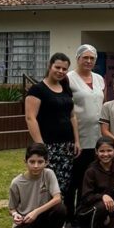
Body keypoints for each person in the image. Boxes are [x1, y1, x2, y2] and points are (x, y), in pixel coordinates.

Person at [24, 52, 80, 202]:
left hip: (67, 146)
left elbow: (72, 116)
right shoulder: (37, 90)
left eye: (64, 69)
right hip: (48, 145)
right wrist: (40, 146)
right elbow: (31, 118)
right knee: (46, 184)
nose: (60, 71)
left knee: (65, 185)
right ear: (50, 66)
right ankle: (42, 217)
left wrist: (76, 141)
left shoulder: (66, 89)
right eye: (58, 67)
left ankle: (61, 217)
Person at [65, 44, 106, 228]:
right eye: (85, 58)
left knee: (87, 180)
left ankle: (83, 215)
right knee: (73, 179)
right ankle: (69, 218)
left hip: (96, 137)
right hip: (77, 137)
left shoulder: (99, 79)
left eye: (92, 58)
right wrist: (74, 139)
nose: (89, 61)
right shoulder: (68, 79)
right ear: (78, 58)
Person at [7, 143, 66, 228]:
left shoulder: (49, 174)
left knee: (60, 209)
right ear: (25, 161)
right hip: (25, 219)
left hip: (44, 216)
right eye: (32, 162)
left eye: (40, 162)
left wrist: (36, 212)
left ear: (46, 162)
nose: (36, 166)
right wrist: (15, 215)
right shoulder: (16, 183)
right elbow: (11, 208)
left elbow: (57, 198)